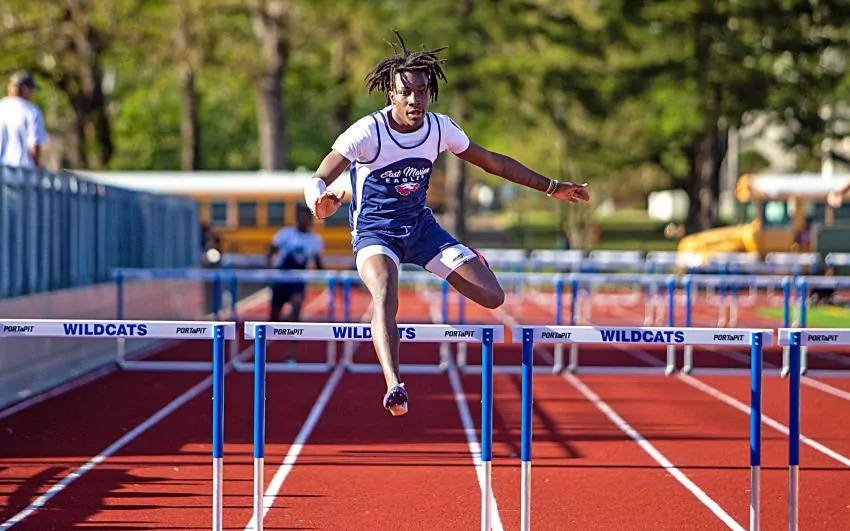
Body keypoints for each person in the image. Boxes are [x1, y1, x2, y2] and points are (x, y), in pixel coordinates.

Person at [303, 33, 590, 417]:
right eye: (406, 93)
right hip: (376, 232)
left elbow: (494, 162)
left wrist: (552, 187)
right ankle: (394, 385)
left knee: (493, 296)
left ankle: (472, 258)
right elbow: (320, 175)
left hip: (422, 230)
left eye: (422, 92)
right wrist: (317, 200)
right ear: (391, 94)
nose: (415, 100)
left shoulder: (439, 129)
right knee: (384, 290)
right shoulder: (368, 132)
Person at [268, 204, 325, 323]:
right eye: (302, 217)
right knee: (274, 314)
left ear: (311, 220)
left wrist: (325, 277)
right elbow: (271, 250)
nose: (304, 220)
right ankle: (276, 332)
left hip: (298, 280)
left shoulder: (315, 239)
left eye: (307, 218)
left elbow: (318, 261)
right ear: (297, 218)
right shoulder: (286, 233)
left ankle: (291, 333)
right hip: (282, 278)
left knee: (296, 311)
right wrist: (270, 268)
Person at [0, 71, 48, 169]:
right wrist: (39, 167)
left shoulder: (1, 107)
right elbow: (34, 147)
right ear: (25, 89)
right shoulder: (32, 111)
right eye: (31, 90)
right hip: (23, 171)